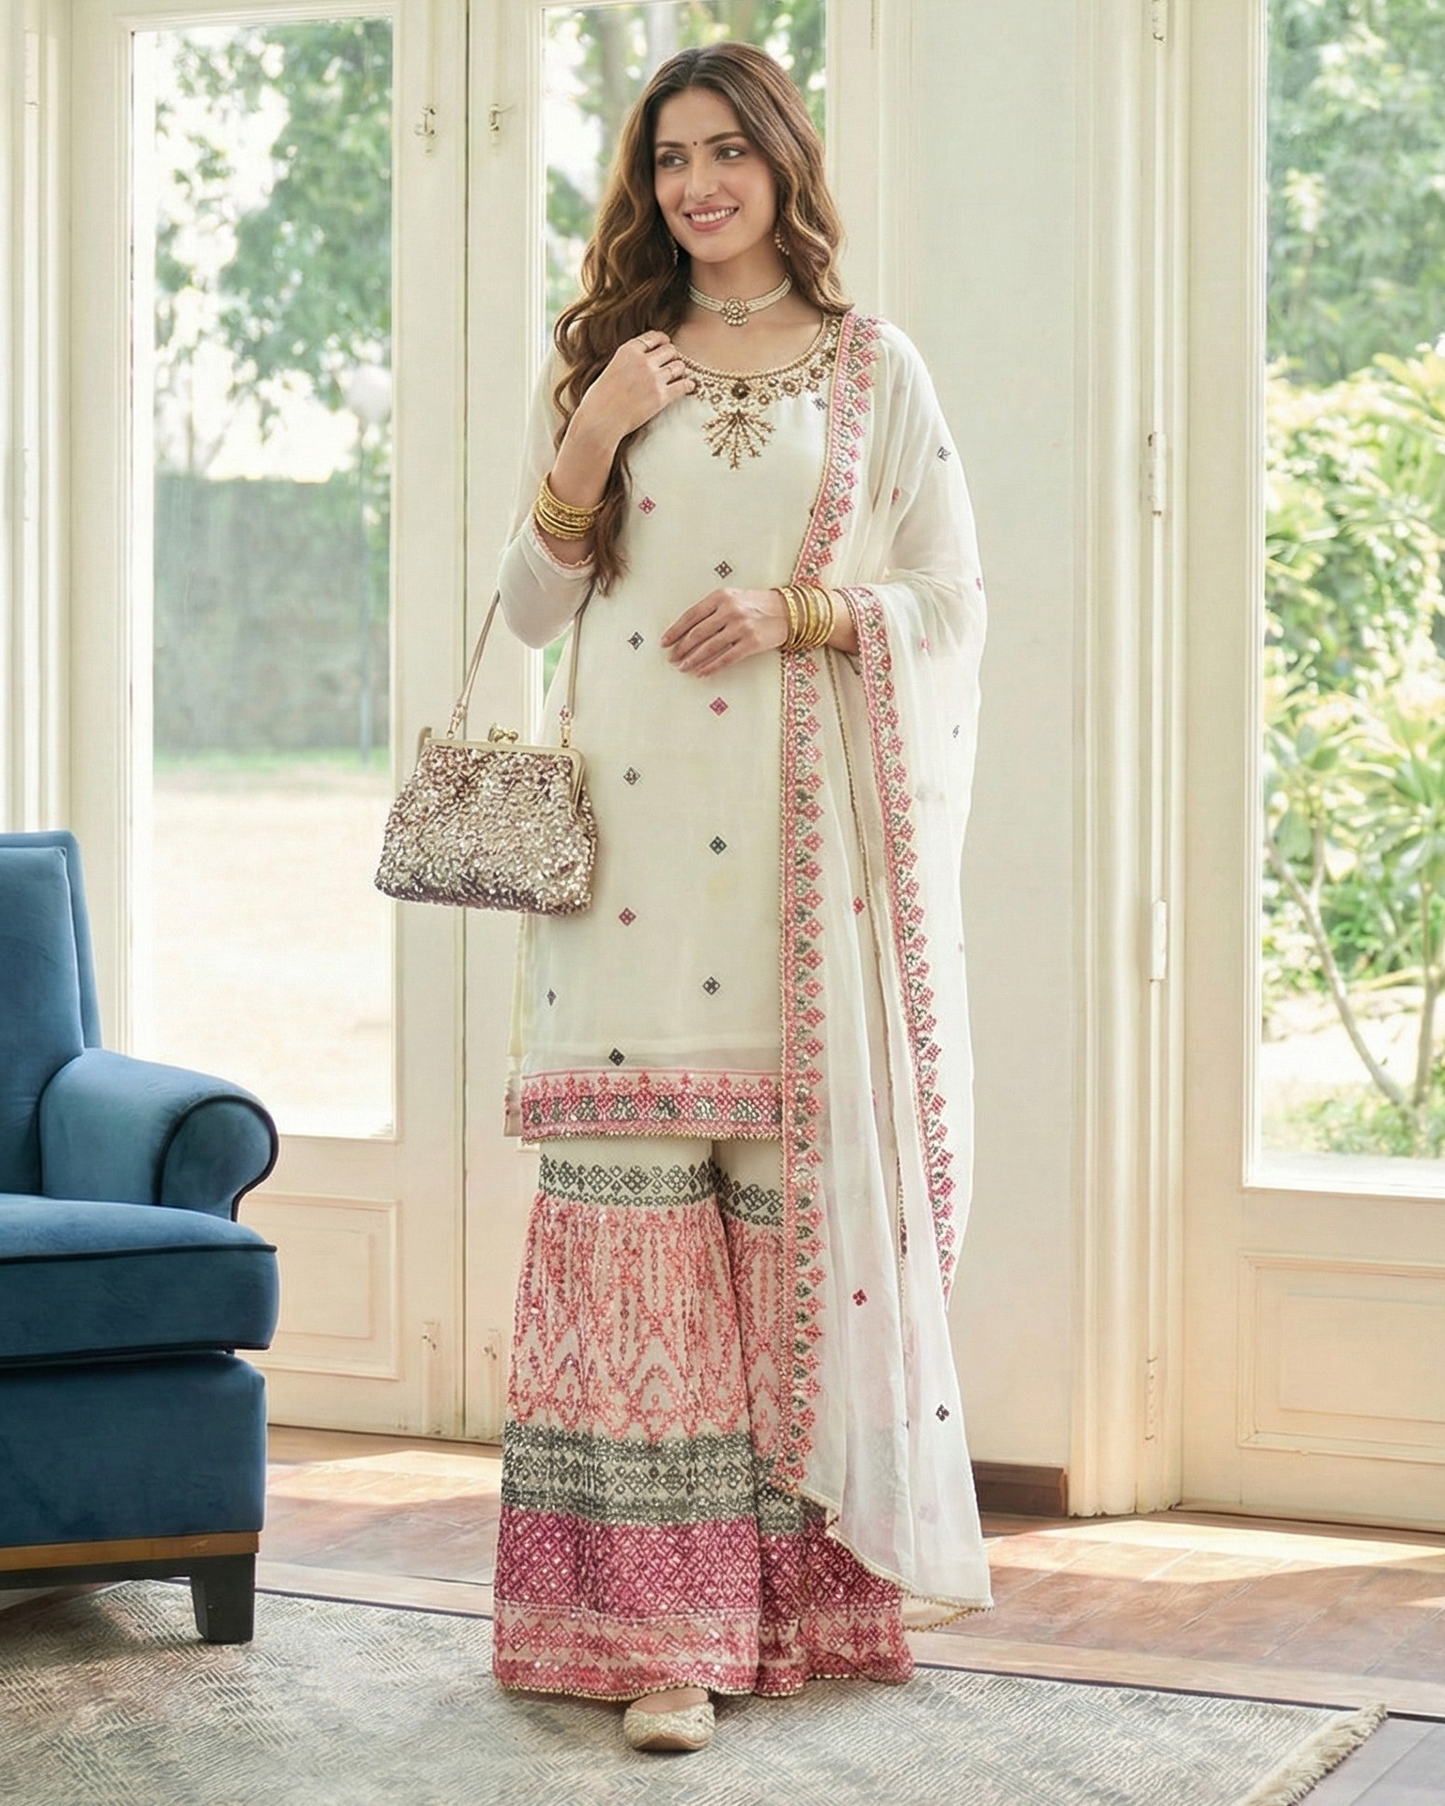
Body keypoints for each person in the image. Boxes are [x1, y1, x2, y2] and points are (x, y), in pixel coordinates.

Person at [489, 39, 992, 1755]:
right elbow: (534, 608)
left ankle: (793, 1608)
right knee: (634, 1240)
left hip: (797, 876)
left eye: (728, 152)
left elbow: (951, 594)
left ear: (784, 163)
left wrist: (807, 616)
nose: (698, 184)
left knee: (788, 1244)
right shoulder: (613, 362)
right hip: (621, 864)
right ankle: (656, 1640)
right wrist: (598, 429)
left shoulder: (873, 368)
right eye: (670, 158)